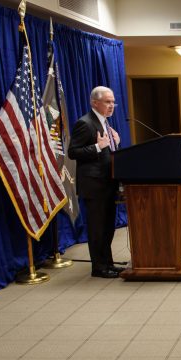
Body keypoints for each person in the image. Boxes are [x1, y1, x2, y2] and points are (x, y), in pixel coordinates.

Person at [68, 86, 122, 279]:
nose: (111, 106)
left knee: (108, 227)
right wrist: (97, 147)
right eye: (107, 102)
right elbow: (73, 152)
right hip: (94, 186)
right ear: (94, 103)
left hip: (108, 184)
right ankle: (98, 268)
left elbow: (108, 152)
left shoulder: (105, 123)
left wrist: (116, 142)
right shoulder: (85, 123)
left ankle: (108, 263)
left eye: (113, 102)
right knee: (97, 228)